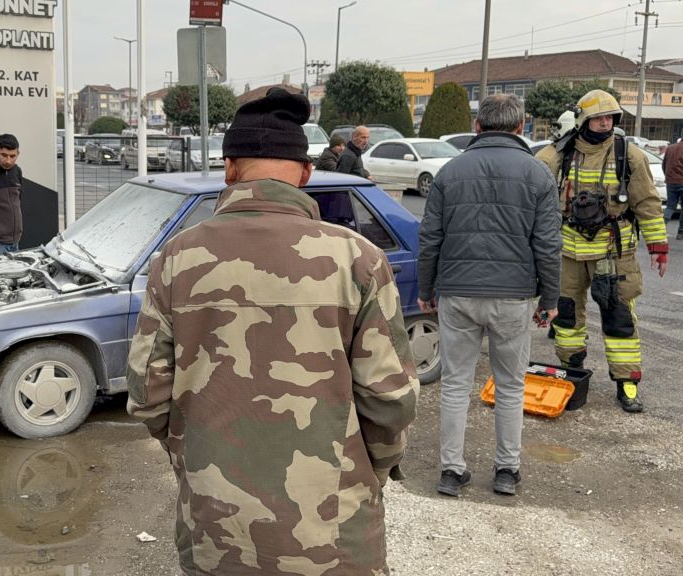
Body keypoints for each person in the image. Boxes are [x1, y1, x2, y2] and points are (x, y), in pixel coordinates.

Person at [126, 88, 419, 575]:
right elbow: (389, 399)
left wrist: (191, 456)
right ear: (306, 174)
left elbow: (147, 392)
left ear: (228, 168)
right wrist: (369, 475)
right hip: (333, 529)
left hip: (214, 524)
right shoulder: (358, 259)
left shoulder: (176, 260)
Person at [417, 94, 562, 497]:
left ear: (478, 127)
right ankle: (506, 471)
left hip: (458, 292)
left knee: (455, 384)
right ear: (521, 128)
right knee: (512, 386)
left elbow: (430, 238)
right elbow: (548, 245)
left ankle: (451, 470)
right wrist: (550, 299)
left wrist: (426, 288)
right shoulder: (537, 174)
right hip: (512, 296)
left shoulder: (450, 171)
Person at [537, 89, 669, 413]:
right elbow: (531, 183)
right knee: (566, 316)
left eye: (609, 117)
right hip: (568, 251)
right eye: (598, 118)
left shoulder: (630, 155)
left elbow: (648, 204)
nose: (604, 122)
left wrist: (659, 247)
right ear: (583, 119)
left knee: (619, 317)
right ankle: (571, 371)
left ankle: (627, 383)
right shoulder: (559, 154)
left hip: (614, 250)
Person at [663, 137, 683, 239]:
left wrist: (668, 177)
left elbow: (664, 165)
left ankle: (660, 228)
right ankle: (681, 233)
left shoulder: (670, 148)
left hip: (670, 181)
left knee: (670, 206)